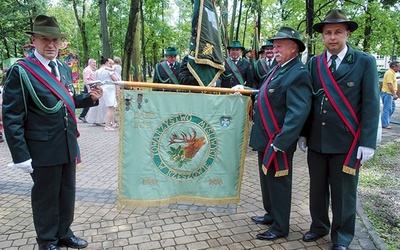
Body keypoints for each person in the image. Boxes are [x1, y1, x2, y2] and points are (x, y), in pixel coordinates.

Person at [2, 15, 103, 250]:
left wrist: (89, 98)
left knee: (66, 193)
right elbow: (11, 116)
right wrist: (21, 155)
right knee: (46, 197)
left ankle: (64, 233)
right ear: (33, 41)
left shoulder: (64, 69)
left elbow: (64, 101)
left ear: (61, 43)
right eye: (45, 39)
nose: (51, 45)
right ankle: (47, 240)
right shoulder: (22, 71)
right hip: (42, 147)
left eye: (55, 40)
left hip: (67, 143)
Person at [299, 9, 379, 250]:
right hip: (317, 140)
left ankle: (342, 237)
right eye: (327, 33)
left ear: (347, 34)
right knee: (317, 189)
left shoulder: (365, 61)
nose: (332, 37)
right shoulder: (314, 63)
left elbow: (371, 105)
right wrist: (304, 132)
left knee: (344, 194)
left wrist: (367, 142)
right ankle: (319, 226)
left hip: (347, 142)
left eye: (337, 32)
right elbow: (308, 102)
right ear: (322, 36)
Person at [249, 27, 312, 240]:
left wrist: (281, 141)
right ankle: (271, 214)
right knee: (266, 180)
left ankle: (280, 226)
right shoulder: (279, 68)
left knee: (278, 183)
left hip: (277, 140)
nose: (274, 49)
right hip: (264, 137)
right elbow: (268, 95)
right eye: (273, 45)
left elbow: (298, 112)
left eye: (279, 45)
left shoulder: (298, 72)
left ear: (294, 48)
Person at [381, 61, 400, 129]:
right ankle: (384, 124)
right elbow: (390, 84)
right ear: (394, 66)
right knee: (388, 109)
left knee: (392, 108)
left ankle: (383, 121)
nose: (399, 68)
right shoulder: (389, 73)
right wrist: (394, 94)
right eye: (398, 66)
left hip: (389, 94)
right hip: (388, 93)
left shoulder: (392, 73)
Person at [78, 58, 97, 123]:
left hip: (92, 86)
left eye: (95, 63)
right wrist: (88, 89)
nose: (95, 64)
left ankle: (84, 115)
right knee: (88, 101)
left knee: (91, 101)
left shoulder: (91, 70)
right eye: (93, 62)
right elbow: (86, 80)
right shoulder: (87, 70)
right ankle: (82, 115)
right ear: (90, 63)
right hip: (88, 87)